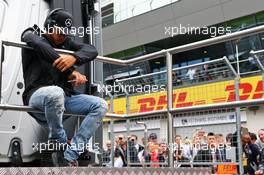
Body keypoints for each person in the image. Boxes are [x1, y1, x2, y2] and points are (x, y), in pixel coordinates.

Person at [21, 8, 108, 166]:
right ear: (49, 26)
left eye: (66, 33)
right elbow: (41, 46)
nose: (63, 36)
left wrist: (74, 57)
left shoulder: (66, 42)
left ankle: (70, 155)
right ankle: (59, 145)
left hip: (63, 98)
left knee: (100, 105)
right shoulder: (31, 33)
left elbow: (91, 50)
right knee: (56, 92)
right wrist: (70, 72)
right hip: (36, 95)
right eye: (60, 32)